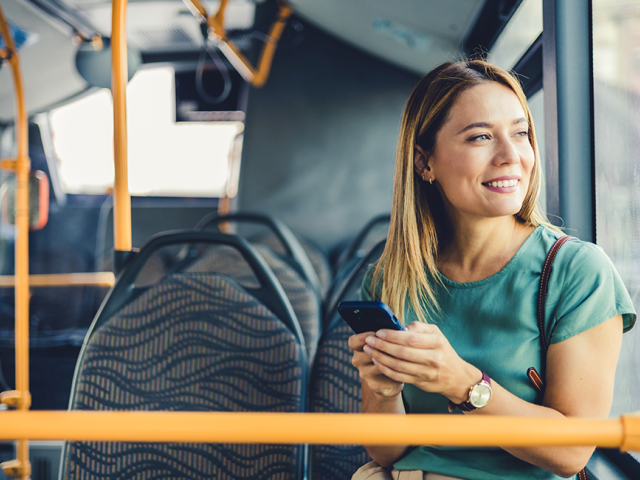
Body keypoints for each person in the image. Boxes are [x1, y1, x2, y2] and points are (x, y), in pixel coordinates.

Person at [348, 60, 637, 480]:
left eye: (521, 134)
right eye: (481, 137)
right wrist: (385, 391)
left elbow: (573, 450)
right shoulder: (392, 278)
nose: (510, 156)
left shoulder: (576, 272)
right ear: (424, 163)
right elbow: (387, 452)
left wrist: (462, 383)